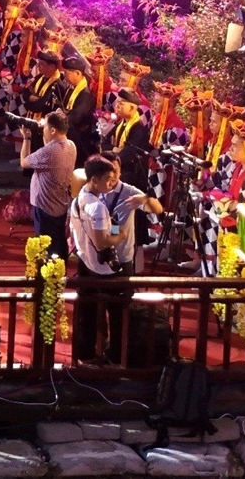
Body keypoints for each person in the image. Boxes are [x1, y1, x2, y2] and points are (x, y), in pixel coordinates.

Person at [67, 155, 163, 365]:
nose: (112, 181)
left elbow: (158, 209)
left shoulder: (128, 191)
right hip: (90, 259)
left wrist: (146, 198)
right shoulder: (91, 192)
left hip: (120, 260)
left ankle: (117, 356)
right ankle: (87, 354)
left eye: (116, 175)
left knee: (119, 312)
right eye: (109, 176)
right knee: (87, 308)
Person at [18, 110, 76, 262]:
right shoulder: (70, 145)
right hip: (60, 203)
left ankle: (48, 276)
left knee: (45, 245)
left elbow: (24, 162)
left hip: (45, 206)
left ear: (53, 130)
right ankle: (59, 271)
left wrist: (27, 138)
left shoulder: (49, 152)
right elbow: (49, 145)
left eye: (44, 127)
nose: (41, 129)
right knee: (58, 240)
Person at [61, 56, 99, 164]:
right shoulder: (70, 87)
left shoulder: (85, 94)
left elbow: (76, 117)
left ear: (77, 73)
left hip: (78, 137)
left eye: (68, 71)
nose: (65, 73)